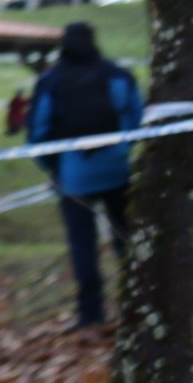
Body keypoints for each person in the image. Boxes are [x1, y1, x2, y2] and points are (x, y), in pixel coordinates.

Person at [28, 21, 143, 328]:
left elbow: (37, 132)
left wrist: (52, 167)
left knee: (83, 244)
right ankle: (140, 303)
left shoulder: (50, 81)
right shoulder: (118, 74)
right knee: (126, 239)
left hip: (73, 176)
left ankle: (91, 314)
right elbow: (137, 117)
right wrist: (123, 150)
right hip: (118, 170)